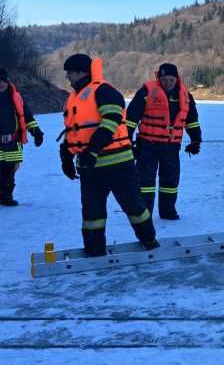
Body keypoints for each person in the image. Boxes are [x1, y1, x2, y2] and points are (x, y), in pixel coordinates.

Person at [58, 53, 159, 256]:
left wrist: (93, 150)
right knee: (92, 213)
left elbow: (111, 121)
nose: (67, 77)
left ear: (82, 72)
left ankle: (149, 241)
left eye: (70, 72)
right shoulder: (74, 98)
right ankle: (94, 250)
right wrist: (67, 157)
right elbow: (75, 131)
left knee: (134, 207)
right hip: (89, 168)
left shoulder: (104, 91)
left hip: (118, 165)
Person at [125, 63, 201, 220]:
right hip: (147, 145)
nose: (167, 83)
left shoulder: (185, 95)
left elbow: (192, 121)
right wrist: (127, 142)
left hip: (172, 146)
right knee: (145, 181)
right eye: (164, 79)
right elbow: (131, 118)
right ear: (159, 78)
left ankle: (168, 211)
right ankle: (144, 214)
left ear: (177, 79)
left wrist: (195, 140)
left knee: (170, 181)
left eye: (171, 80)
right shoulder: (147, 92)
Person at [0, 68, 44, 206]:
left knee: (10, 171)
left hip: (13, 143)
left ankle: (6, 197)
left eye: (2, 80)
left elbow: (27, 117)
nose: (0, 84)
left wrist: (36, 131)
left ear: (6, 81)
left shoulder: (16, 97)